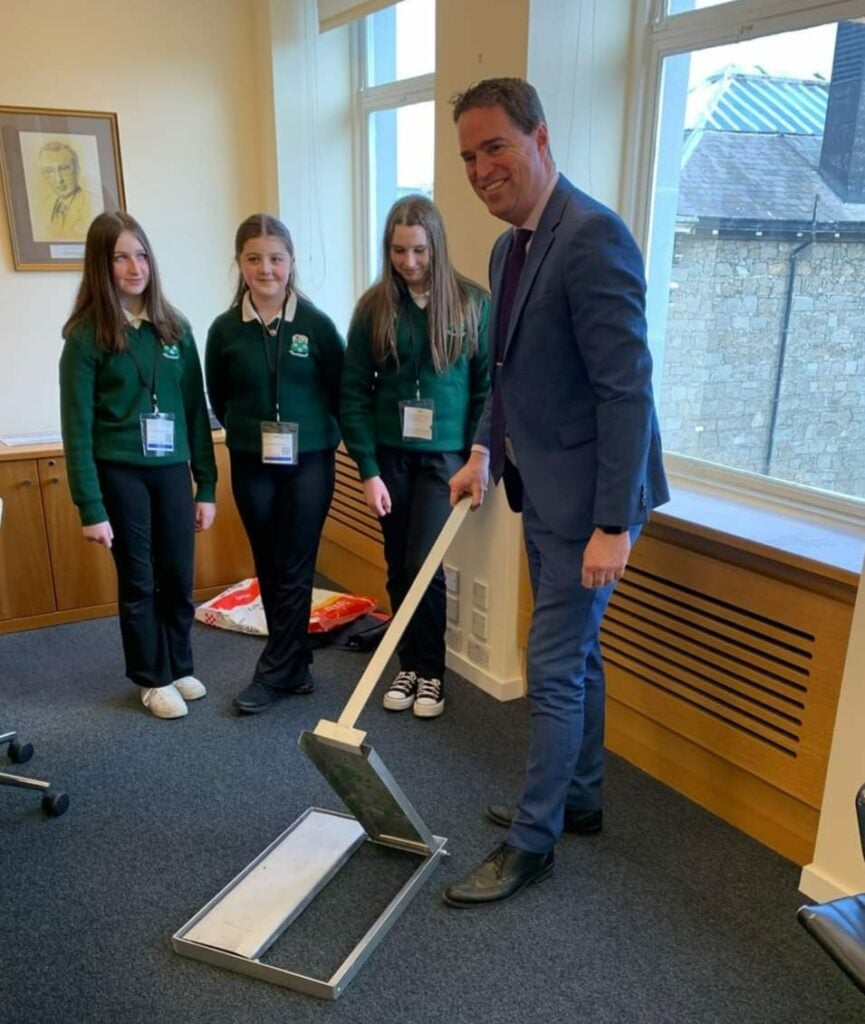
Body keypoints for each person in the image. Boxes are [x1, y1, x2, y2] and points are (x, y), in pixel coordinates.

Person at [444, 78, 669, 906]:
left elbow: (625, 390)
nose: (480, 169)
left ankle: (532, 842)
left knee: (549, 666)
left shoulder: (592, 236)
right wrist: (482, 449)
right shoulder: (508, 249)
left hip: (592, 504)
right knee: (576, 655)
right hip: (540, 489)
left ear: (539, 139)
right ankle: (579, 799)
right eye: (468, 156)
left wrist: (613, 524)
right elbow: (505, 374)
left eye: (494, 147)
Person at [59, 211, 217, 720]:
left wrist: (207, 485)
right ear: (100, 266)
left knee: (178, 575)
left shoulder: (176, 329)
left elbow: (195, 413)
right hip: (120, 471)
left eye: (142, 255)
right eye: (121, 257)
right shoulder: (86, 338)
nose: (135, 268)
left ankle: (179, 664)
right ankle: (151, 678)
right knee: (140, 580)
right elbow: (77, 429)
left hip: (172, 470)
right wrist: (90, 506)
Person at [340, 195, 490, 719]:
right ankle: (409, 664)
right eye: (399, 250)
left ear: (436, 247)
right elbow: (353, 393)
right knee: (397, 564)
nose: (409, 262)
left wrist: (478, 457)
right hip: (390, 459)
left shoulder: (472, 303)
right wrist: (368, 470)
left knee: (422, 564)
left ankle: (431, 673)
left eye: (419, 250)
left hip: (445, 460)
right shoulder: (374, 307)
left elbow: (487, 390)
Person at [205, 214, 345, 715]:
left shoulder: (317, 325)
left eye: (276, 258)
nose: (266, 269)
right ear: (240, 263)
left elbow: (340, 390)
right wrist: (249, 432)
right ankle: (296, 662)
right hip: (252, 461)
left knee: (295, 562)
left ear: (291, 262)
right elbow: (219, 395)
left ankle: (274, 671)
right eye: (254, 259)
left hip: (309, 461)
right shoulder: (225, 329)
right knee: (268, 562)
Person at [35, 141, 101, 242]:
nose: (59, 179)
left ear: (77, 170)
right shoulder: (39, 208)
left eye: (64, 169)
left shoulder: (96, 206)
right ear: (44, 175)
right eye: (50, 171)